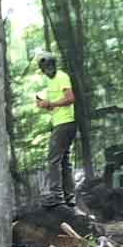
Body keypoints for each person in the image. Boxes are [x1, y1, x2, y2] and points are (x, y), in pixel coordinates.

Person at [30, 52, 77, 208]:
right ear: (42, 69)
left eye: (50, 66)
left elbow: (70, 98)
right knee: (63, 161)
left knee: (53, 160)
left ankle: (57, 196)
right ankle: (69, 197)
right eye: (45, 68)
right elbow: (54, 104)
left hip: (65, 124)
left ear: (54, 65)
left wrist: (51, 103)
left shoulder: (61, 76)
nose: (47, 70)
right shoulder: (50, 82)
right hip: (60, 123)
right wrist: (45, 104)